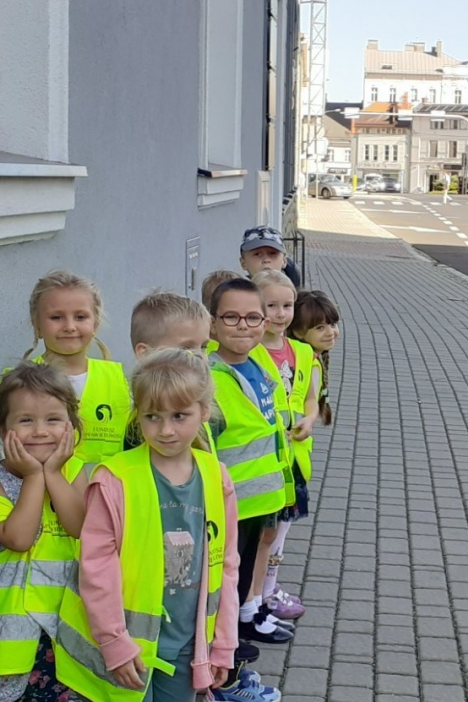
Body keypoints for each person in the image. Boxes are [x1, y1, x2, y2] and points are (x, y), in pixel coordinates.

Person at [55, 349, 245, 702]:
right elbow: (96, 566)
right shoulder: (114, 478)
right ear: (137, 415)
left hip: (188, 646)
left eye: (179, 415)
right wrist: (114, 642)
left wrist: (223, 644)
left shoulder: (215, 477)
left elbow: (226, 564)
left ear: (204, 412)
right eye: (152, 416)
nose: (166, 429)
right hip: (124, 649)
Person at [128, 291, 281, 701]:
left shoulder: (199, 433)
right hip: (146, 610)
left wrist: (222, 642)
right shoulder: (138, 443)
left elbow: (225, 561)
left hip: (195, 592)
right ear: (144, 354)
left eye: (201, 347)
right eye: (186, 348)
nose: (199, 358)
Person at [206, 279, 292, 647]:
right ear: (212, 324)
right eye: (231, 317)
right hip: (231, 501)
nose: (243, 325)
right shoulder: (208, 376)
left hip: (263, 494)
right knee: (228, 573)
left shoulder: (258, 363)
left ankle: (246, 617)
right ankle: (228, 641)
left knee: (249, 567)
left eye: (253, 317)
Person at [0, 361, 87, 702]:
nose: (40, 431)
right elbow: (17, 539)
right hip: (14, 639)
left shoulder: (75, 472)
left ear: (71, 426)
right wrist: (35, 477)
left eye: (53, 420)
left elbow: (80, 527)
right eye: (25, 421)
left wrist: (54, 474)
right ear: (2, 430)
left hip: (64, 630)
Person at [248, 271, 318, 622]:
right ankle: (255, 598)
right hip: (262, 459)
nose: (280, 313)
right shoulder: (248, 351)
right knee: (261, 536)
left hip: (293, 459)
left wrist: (309, 419)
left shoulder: (303, 352)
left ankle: (267, 592)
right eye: (270, 305)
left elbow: (310, 398)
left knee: (279, 534)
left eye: (287, 305)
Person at [22, 270, 131, 472]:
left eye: (80, 317)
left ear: (95, 322)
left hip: (108, 498)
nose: (70, 326)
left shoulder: (119, 380)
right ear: (36, 323)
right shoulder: (20, 382)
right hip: (43, 499)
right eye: (56, 317)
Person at [289, 289, 341, 430]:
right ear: (298, 331)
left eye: (333, 324)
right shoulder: (306, 364)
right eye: (320, 328)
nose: (330, 333)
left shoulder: (313, 360)